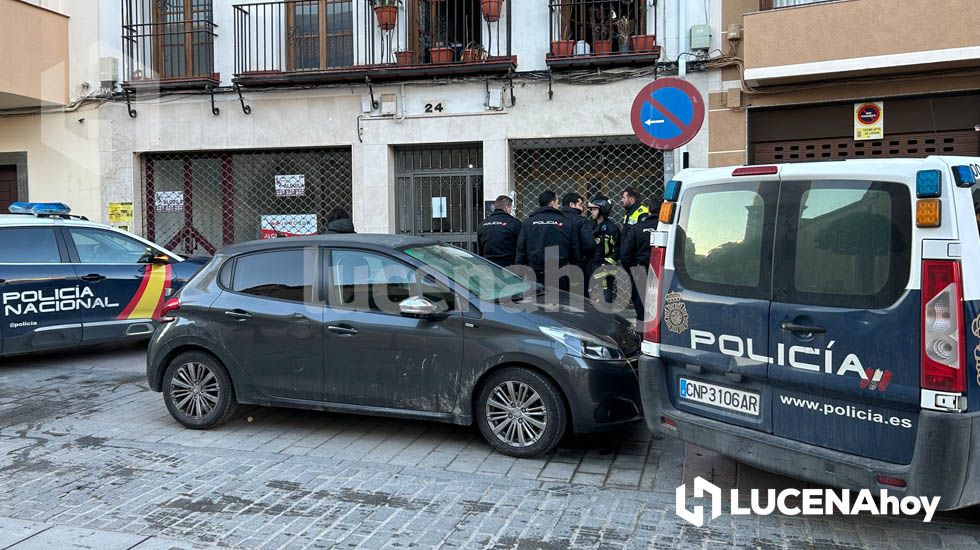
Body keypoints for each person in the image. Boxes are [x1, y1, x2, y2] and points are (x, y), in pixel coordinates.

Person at [516, 190, 580, 288]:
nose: (558, 206)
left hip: (535, 273)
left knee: (538, 302)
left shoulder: (528, 223)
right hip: (560, 272)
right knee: (562, 301)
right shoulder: (567, 223)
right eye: (557, 202)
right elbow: (574, 250)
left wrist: (520, 273)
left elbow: (521, 249)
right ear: (552, 202)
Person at [620, 201, 661, 320]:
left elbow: (625, 254)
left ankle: (643, 336)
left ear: (648, 210)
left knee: (642, 310)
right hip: (663, 272)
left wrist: (632, 270)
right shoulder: (671, 228)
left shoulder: (637, 228)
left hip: (640, 270)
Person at [588, 195, 622, 305]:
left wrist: (605, 266)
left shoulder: (612, 229)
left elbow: (618, 251)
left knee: (604, 303)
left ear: (602, 210)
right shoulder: (588, 226)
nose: (591, 212)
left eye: (594, 209)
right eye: (591, 209)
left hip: (604, 272)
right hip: (590, 269)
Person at [561, 192, 596, 294]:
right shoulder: (582, 221)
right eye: (580, 205)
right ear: (572, 205)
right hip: (579, 266)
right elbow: (589, 245)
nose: (582, 209)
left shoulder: (556, 220)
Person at [477, 195, 522, 267]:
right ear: (507, 208)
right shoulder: (514, 223)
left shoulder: (483, 224)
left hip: (488, 265)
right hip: (508, 266)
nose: (511, 211)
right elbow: (520, 246)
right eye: (511, 208)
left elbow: (480, 247)